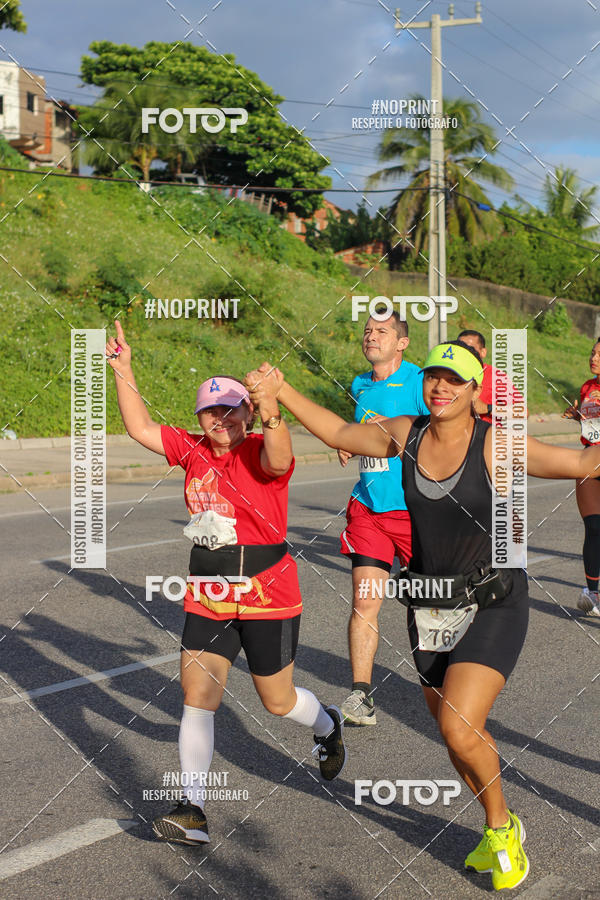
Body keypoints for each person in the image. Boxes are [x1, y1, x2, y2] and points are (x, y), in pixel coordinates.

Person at [247, 341, 600, 891]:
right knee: (452, 730)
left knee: (460, 727)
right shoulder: (403, 433)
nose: (441, 387)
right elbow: (340, 434)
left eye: (454, 381)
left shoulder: (494, 444)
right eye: (434, 377)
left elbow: (582, 462)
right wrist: (280, 390)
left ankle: (505, 830)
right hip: (429, 603)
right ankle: (492, 826)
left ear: (474, 392)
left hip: (493, 601)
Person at [105, 321, 346, 847]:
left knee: (276, 702)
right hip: (210, 592)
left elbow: (281, 456)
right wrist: (124, 372)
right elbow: (141, 429)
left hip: (267, 591)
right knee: (197, 695)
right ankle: (192, 808)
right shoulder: (190, 451)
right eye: (212, 411)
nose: (223, 418)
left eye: (233, 408)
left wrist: (272, 410)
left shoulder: (259, 449)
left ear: (247, 412)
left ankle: (326, 723)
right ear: (200, 418)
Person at [338, 310, 428, 726]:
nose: (371, 336)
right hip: (369, 510)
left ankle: (447, 681)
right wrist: (350, 445)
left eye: (382, 332)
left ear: (402, 342)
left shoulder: (420, 382)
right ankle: (361, 695)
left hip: (415, 512)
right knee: (365, 601)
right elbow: (368, 436)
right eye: (367, 330)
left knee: (430, 602)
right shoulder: (359, 385)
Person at [563, 337, 600, 617]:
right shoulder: (588, 387)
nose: (594, 357)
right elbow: (592, 424)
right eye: (593, 352)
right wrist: (578, 416)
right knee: (594, 527)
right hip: (590, 459)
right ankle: (593, 592)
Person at [457, 330, 527, 423]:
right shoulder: (448, 373)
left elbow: (523, 412)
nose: (465, 353)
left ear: (483, 352)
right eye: (460, 348)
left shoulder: (496, 376)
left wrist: (488, 408)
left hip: (486, 435)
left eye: (471, 349)